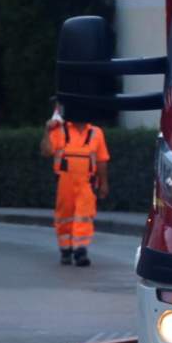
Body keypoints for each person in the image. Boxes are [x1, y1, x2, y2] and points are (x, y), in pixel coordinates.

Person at [46, 97, 109, 267]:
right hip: (64, 181)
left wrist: (104, 183)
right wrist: (47, 131)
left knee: (84, 216)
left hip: (87, 182)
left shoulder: (96, 133)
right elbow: (46, 151)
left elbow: (102, 160)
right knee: (64, 216)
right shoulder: (59, 130)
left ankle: (80, 250)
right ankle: (65, 250)